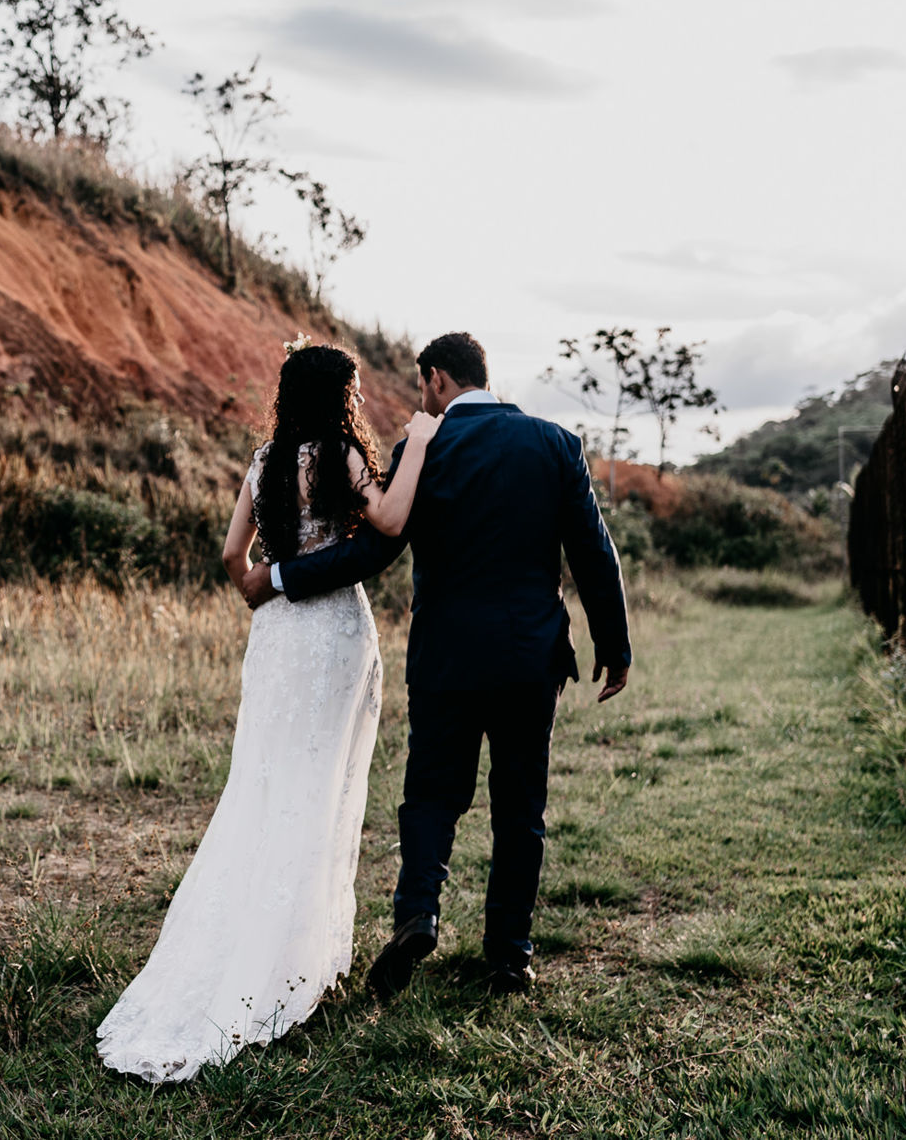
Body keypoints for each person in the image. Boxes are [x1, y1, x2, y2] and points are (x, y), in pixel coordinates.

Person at [240, 331, 631, 999]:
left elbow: (371, 554)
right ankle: (510, 956)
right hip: (527, 655)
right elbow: (593, 551)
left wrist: (279, 576)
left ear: (438, 379)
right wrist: (614, 648)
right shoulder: (555, 444)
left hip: (446, 655)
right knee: (520, 806)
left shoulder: (427, 449)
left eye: (424, 387)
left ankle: (417, 913)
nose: (424, 399)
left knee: (430, 796)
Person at [96, 339, 443, 1083]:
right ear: (338, 394)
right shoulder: (344, 455)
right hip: (335, 634)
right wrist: (417, 444)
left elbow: (231, 556)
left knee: (264, 784)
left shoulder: (263, 460)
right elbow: (386, 522)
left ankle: (255, 949)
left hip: (279, 637)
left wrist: (262, 579)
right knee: (323, 791)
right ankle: (297, 963)